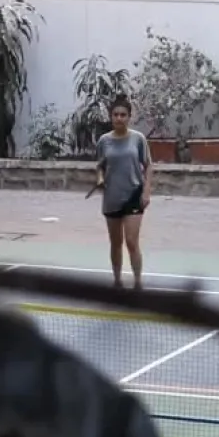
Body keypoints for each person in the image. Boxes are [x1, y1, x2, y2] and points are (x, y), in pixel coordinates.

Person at [95, 95, 152, 290]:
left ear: (129, 117)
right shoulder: (104, 141)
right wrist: (100, 179)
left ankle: (137, 283)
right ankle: (117, 281)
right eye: (115, 115)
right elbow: (100, 166)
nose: (119, 118)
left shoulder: (138, 139)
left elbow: (148, 165)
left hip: (134, 195)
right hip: (111, 197)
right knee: (115, 242)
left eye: (123, 115)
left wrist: (146, 191)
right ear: (111, 117)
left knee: (131, 241)